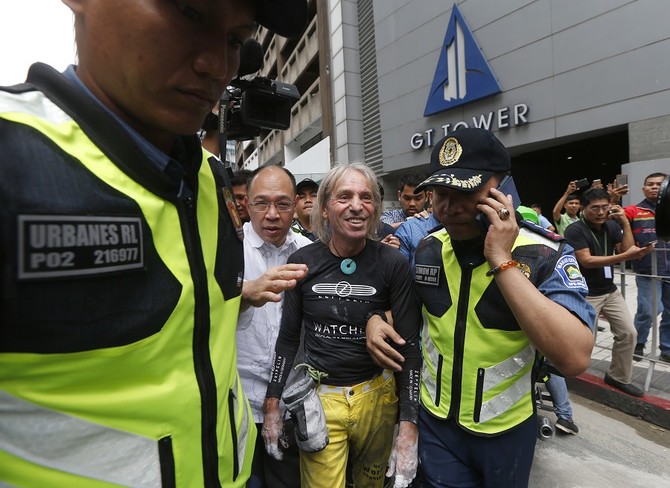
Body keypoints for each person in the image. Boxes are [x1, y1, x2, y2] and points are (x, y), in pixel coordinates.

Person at [0, 0, 308, 486]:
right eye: (189, 12)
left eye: (235, 40)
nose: (217, 66)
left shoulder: (212, 179)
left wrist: (235, 298)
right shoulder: (12, 152)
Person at [366, 128, 595, 487]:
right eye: (441, 193)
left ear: (501, 189)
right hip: (437, 427)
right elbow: (409, 311)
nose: (449, 206)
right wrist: (377, 320)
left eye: (465, 192)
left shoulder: (544, 253)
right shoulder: (428, 248)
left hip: (506, 432)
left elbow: (574, 357)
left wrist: (501, 260)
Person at [263, 163, 422, 488]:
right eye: (344, 196)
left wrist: (409, 425)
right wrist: (272, 404)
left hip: (378, 398)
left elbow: (411, 345)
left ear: (375, 209)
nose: (356, 205)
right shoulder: (302, 262)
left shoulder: (394, 263)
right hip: (322, 400)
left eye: (366, 197)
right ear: (325, 207)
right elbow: (288, 338)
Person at [237, 166, 312, 488]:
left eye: (282, 204)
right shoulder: (226, 250)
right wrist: (242, 293)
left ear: (295, 205)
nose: (271, 215)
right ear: (247, 205)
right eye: (261, 203)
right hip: (239, 405)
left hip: (291, 403)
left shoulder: (310, 252)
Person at [564, 188, 654, 396]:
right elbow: (586, 260)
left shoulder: (612, 225)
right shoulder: (575, 230)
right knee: (582, 339)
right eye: (594, 208)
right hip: (585, 294)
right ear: (584, 209)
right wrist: (626, 256)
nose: (601, 212)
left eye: (605, 207)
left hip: (610, 292)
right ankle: (560, 372)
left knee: (628, 333)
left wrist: (624, 223)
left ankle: (618, 377)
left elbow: (626, 249)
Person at [624, 173, 670, 362]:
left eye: (659, 184)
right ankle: (638, 343)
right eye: (650, 184)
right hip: (647, 271)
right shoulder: (633, 211)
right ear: (643, 189)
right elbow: (609, 216)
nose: (654, 187)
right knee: (650, 309)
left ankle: (666, 348)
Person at [394, 190, 440, 267]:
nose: (412, 203)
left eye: (418, 198)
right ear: (431, 197)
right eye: (442, 195)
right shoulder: (408, 229)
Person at [291, 177, 319, 241]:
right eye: (301, 197)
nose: (308, 200)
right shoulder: (288, 237)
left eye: (314, 195)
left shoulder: (333, 233)